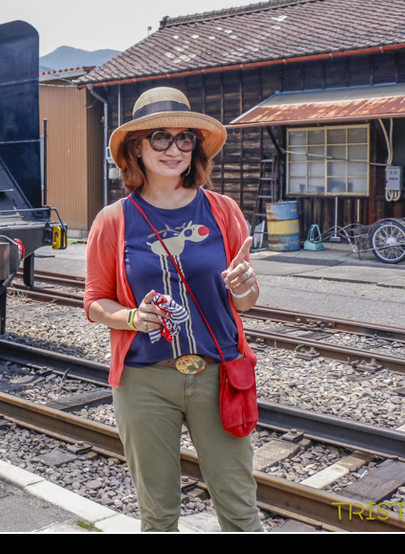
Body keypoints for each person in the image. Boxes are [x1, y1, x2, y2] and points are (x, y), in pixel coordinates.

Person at [84, 86, 263, 532]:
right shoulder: (114, 219)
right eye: (160, 137)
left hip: (218, 372)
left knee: (240, 511)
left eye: (185, 138)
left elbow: (243, 303)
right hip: (145, 380)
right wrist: (131, 317)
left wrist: (247, 287)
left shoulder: (222, 211)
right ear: (136, 149)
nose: (174, 148)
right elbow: (94, 302)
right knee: (159, 515)